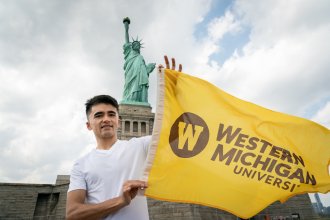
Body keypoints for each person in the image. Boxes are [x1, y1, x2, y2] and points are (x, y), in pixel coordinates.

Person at [66, 56, 181, 220]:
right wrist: (121, 200)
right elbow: (73, 214)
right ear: (89, 125)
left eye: (111, 114)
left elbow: (175, 134)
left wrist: (174, 97)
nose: (106, 119)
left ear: (118, 121)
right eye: (99, 115)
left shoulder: (139, 146)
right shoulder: (81, 165)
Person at [122, 17, 156, 103]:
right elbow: (126, 37)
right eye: (135, 44)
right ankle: (129, 99)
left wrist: (149, 68)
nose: (137, 45)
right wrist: (126, 26)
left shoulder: (140, 57)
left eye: (138, 44)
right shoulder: (129, 52)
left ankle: (139, 100)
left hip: (140, 75)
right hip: (130, 71)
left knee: (139, 84)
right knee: (129, 85)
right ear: (132, 46)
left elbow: (145, 70)